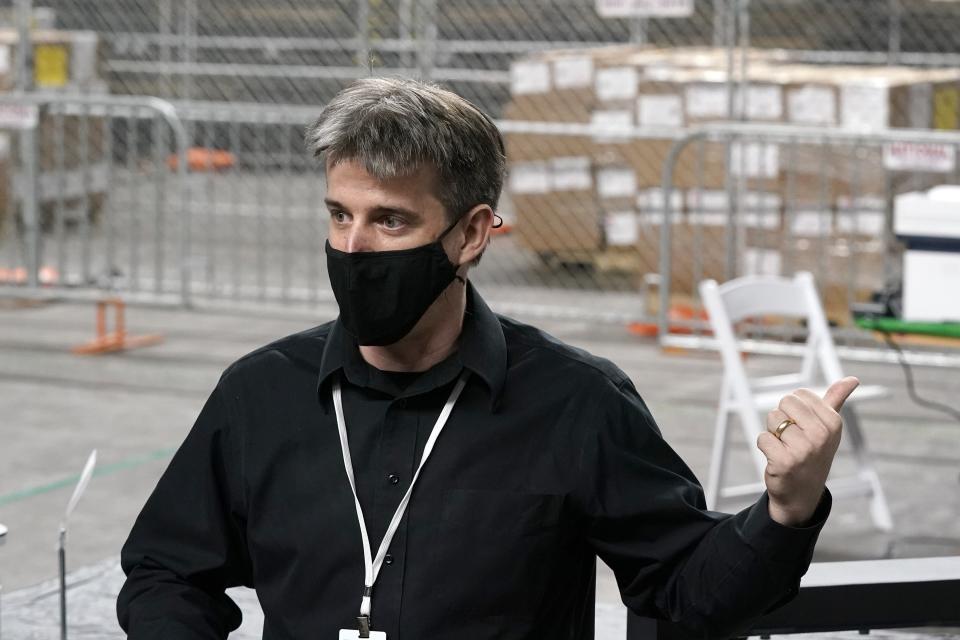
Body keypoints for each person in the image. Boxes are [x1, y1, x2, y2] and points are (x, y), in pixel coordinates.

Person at [118, 77, 854, 640]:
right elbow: (165, 570)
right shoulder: (261, 395)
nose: (353, 247)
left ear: (471, 235)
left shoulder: (577, 403)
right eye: (340, 215)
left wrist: (787, 510)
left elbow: (688, 594)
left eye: (390, 220)